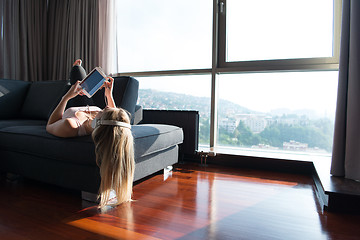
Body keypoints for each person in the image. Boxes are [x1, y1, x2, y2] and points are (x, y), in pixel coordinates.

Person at [46, 59, 135, 208]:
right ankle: (78, 68)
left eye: (106, 110)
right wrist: (109, 94)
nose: (107, 106)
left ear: (99, 123)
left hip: (68, 110)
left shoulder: (71, 126)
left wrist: (66, 97)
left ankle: (76, 68)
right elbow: (115, 124)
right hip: (88, 111)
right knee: (85, 86)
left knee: (76, 81)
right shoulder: (101, 122)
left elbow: (50, 125)